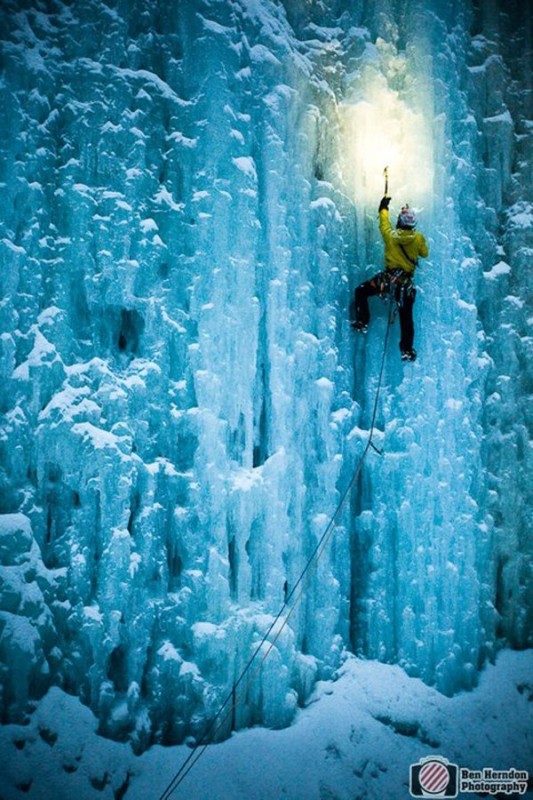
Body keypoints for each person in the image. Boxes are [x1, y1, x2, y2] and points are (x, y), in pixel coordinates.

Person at [352, 196, 429, 361]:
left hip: (388, 282)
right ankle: (407, 350)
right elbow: (424, 253)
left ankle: (362, 321)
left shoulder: (391, 236)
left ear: (400, 221)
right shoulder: (418, 238)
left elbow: (383, 224)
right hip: (406, 286)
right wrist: (415, 241)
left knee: (361, 291)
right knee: (406, 316)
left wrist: (383, 207)